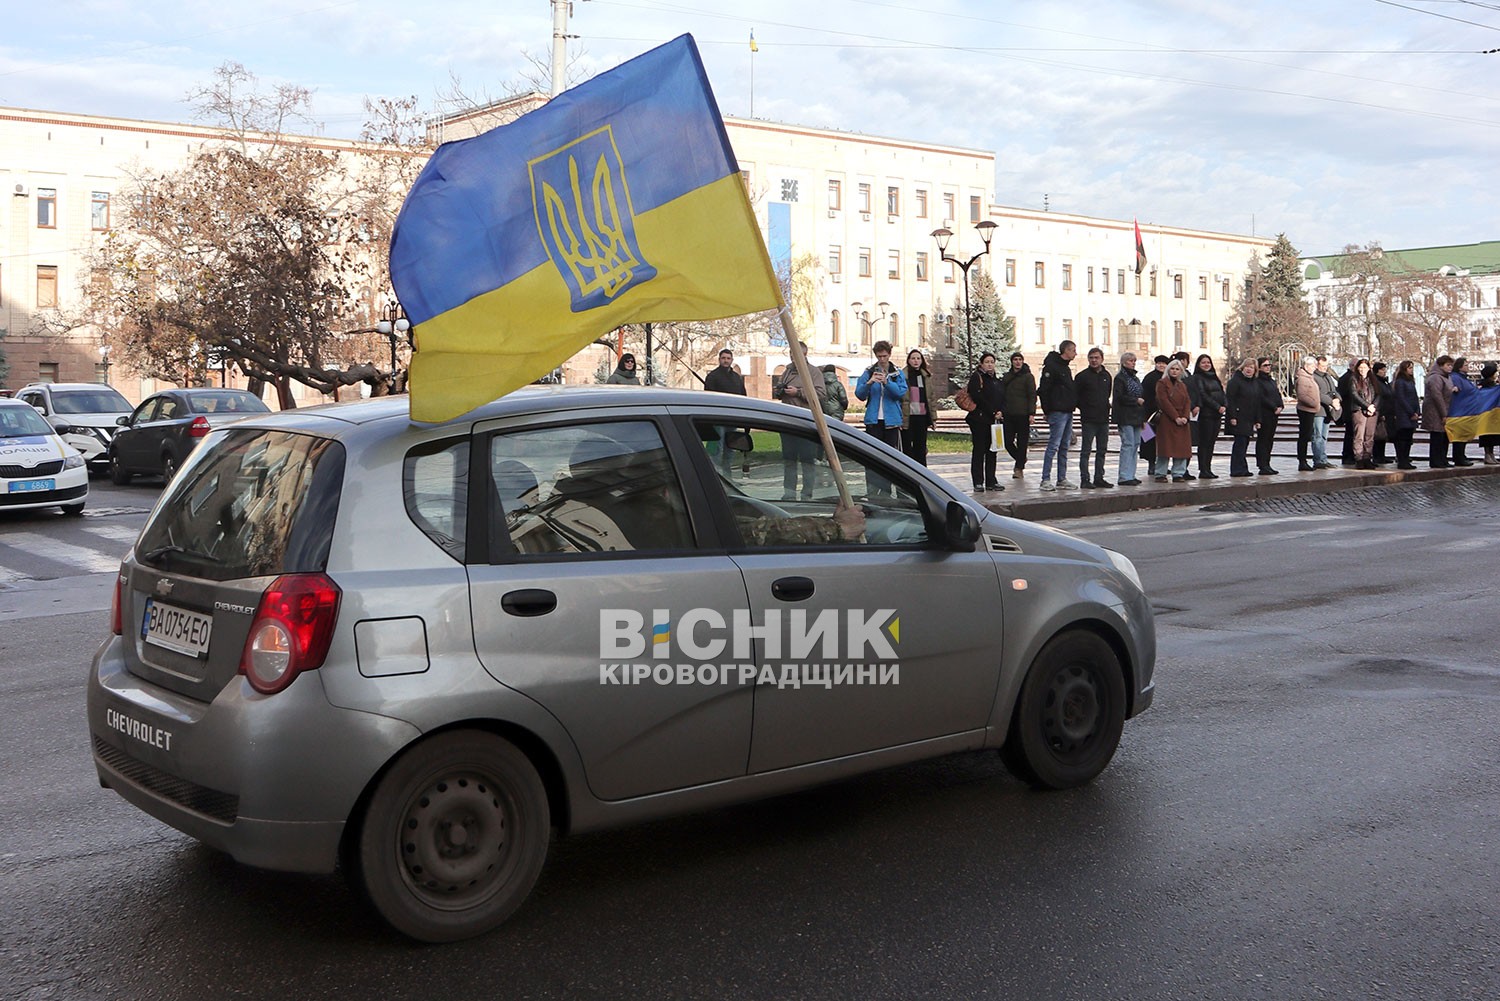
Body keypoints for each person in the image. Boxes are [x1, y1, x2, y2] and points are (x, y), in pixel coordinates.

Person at [772, 362, 828, 499]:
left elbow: (820, 393)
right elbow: (780, 390)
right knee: (789, 460)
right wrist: (779, 390)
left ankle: (807, 493)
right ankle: (789, 493)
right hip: (787, 421)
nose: (794, 358)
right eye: (791, 355)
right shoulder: (787, 371)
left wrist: (798, 392)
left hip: (806, 422)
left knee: (807, 460)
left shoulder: (813, 372)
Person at [1037, 339, 1078, 491]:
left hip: (1067, 410)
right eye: (1073, 350)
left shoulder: (1066, 368)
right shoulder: (1052, 367)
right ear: (1065, 351)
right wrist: (1047, 411)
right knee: (1053, 445)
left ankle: (1062, 478)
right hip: (1057, 411)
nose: (1075, 353)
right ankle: (1045, 479)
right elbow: (1044, 390)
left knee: (1064, 446)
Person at [855, 340, 908, 451]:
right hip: (873, 420)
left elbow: (900, 393)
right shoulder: (869, 372)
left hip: (892, 420)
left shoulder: (897, 372)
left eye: (884, 356)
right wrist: (869, 383)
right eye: (879, 356)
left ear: (889, 354)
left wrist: (887, 382)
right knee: (873, 452)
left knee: (891, 453)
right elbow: (860, 395)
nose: (882, 359)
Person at [1074, 347, 1113, 488]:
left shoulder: (1107, 375)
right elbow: (1076, 396)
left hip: (1103, 419)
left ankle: (1099, 477)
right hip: (1088, 419)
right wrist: (1085, 408)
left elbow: (1107, 394)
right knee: (1086, 450)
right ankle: (1085, 479)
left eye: (1096, 357)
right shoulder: (1082, 376)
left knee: (1102, 450)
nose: (1094, 360)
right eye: (1091, 358)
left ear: (1102, 359)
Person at [965, 353, 1005, 491]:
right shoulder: (977, 378)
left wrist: (1001, 411)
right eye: (987, 362)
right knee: (979, 450)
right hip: (980, 420)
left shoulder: (997, 380)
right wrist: (993, 411)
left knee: (992, 451)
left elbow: (1002, 397)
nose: (989, 364)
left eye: (992, 362)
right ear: (981, 364)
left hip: (994, 421)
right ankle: (978, 481)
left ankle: (991, 481)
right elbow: (977, 396)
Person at [703, 348, 747, 474]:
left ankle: (728, 477)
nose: (726, 361)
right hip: (717, 419)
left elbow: (743, 396)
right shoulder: (712, 376)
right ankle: (714, 475)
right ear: (719, 360)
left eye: (728, 358)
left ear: (732, 360)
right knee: (716, 449)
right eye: (723, 358)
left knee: (730, 449)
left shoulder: (736, 378)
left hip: (733, 419)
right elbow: (709, 398)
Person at [1152, 359, 1194, 482]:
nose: (1174, 371)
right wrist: (1175, 417)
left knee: (1182, 448)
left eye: (1177, 369)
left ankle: (1178, 473)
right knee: (1165, 448)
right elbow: (1164, 402)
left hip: (1182, 420)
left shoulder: (1182, 385)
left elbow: (1187, 401)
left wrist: (1185, 417)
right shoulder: (1162, 383)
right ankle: (1160, 473)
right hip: (1167, 419)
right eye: (1172, 368)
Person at [1000, 352, 1037, 479]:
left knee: (1022, 443)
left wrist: (1032, 413)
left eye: (1020, 359)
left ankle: (1018, 468)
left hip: (1023, 414)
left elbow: (1032, 395)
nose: (1017, 362)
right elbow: (1002, 395)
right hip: (1009, 414)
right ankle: (1021, 458)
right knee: (1007, 442)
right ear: (1012, 361)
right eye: (1015, 359)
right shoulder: (1006, 377)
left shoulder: (1028, 377)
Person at [1113, 352, 1146, 486]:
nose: (1133, 363)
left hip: (1137, 417)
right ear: (1124, 362)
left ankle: (1131, 474)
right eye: (1130, 361)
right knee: (1128, 444)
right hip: (1125, 416)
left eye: (1134, 360)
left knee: (1136, 444)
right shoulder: (1120, 378)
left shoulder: (1135, 378)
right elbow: (1119, 397)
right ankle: (1124, 476)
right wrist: (1135, 400)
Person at [1191, 353, 1225, 479]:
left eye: (1208, 362)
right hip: (1206, 414)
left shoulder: (1214, 377)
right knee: (1204, 443)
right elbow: (1203, 395)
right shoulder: (1197, 378)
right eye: (1203, 363)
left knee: (1211, 442)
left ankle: (1208, 468)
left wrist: (1224, 404)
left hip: (1217, 415)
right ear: (1199, 365)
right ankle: (1203, 469)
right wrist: (1217, 406)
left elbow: (1222, 392)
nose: (1206, 365)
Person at [1225, 358, 1261, 477]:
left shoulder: (1254, 382)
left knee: (1244, 443)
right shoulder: (1235, 381)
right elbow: (1230, 400)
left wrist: (1257, 420)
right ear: (1242, 367)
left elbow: (1256, 402)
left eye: (1252, 367)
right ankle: (1236, 469)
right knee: (1239, 443)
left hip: (1249, 417)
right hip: (1239, 417)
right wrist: (1232, 416)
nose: (1249, 369)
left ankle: (1242, 467)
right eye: (1247, 366)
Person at [901, 349, 933, 466]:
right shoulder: (903, 375)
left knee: (921, 449)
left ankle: (922, 476)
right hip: (908, 417)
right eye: (913, 358)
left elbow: (930, 398)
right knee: (907, 449)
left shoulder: (925, 376)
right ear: (908, 360)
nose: (916, 361)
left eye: (918, 358)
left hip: (922, 417)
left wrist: (933, 419)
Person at [1388, 360, 1422, 469]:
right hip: (1404, 414)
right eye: (1409, 368)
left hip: (1412, 414)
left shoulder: (1411, 381)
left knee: (1408, 439)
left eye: (1412, 368)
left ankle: (1406, 459)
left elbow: (1415, 397)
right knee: (1403, 438)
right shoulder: (1400, 382)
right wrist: (1411, 412)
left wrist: (1417, 411)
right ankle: (1402, 460)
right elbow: (1401, 399)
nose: (1412, 370)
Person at [1172, 350, 1201, 480]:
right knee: (1152, 441)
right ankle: (1163, 469)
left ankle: (1183, 469)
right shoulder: (1171, 379)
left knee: (1189, 443)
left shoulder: (1189, 376)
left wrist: (1196, 405)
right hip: (1177, 415)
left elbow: (1195, 392)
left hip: (1191, 414)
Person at [1347, 358, 1380, 469]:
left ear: (1369, 368)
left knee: (1369, 436)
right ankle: (1359, 458)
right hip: (1359, 410)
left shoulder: (1373, 379)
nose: (1362, 370)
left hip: (1372, 411)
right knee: (1359, 435)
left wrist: (1373, 406)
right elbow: (1354, 395)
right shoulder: (1353, 379)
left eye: (1365, 367)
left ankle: (1367, 457)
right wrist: (1367, 406)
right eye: (1360, 367)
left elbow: (1379, 394)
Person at [1423, 355, 1455, 469]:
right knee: (1437, 436)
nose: (1450, 367)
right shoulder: (1435, 377)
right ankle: (1436, 460)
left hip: (1445, 409)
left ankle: (1443, 459)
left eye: (1451, 365)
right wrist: (1443, 414)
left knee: (1444, 437)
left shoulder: (1447, 377)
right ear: (1441, 365)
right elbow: (1437, 396)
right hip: (1435, 411)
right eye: (1448, 365)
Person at [1139, 355, 1169, 473]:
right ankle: (1151, 465)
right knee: (1148, 440)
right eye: (1159, 363)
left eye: (1163, 363)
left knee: (1162, 441)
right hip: (1148, 414)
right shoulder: (1149, 377)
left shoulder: (1167, 378)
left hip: (1163, 414)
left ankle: (1161, 465)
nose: (1161, 365)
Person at [1311, 356, 1342, 469]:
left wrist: (1338, 399)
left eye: (1326, 366)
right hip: (1319, 411)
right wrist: (1331, 401)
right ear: (1316, 365)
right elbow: (1317, 394)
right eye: (1322, 366)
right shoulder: (1313, 377)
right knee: (1317, 436)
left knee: (1324, 436)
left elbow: (1334, 390)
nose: (1324, 368)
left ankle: (1323, 459)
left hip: (1328, 410)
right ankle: (1318, 460)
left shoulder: (1328, 376)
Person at [1254, 357, 1284, 474]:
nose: (1268, 367)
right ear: (1259, 367)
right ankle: (1262, 464)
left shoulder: (1271, 380)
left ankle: (1267, 463)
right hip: (1264, 413)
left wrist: (1281, 406)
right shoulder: (1257, 381)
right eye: (1265, 365)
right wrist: (1273, 407)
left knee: (1269, 439)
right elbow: (1261, 397)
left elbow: (1277, 394)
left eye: (1269, 365)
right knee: (1263, 439)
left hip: (1274, 414)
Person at [1449, 357, 1476, 466]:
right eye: (1466, 365)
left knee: (1464, 434)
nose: (1468, 367)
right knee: (1459, 435)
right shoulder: (1456, 377)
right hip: (1459, 410)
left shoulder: (1465, 378)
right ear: (1460, 367)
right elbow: (1457, 390)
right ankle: (1458, 457)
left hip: (1466, 410)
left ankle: (1462, 455)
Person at [1370, 361, 1393, 465]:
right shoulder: (1376, 382)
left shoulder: (1384, 382)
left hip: (1387, 411)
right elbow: (1379, 397)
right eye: (1382, 370)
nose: (1384, 372)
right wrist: (1381, 413)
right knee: (1378, 435)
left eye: (1385, 370)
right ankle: (1376, 456)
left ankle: (1381, 456)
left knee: (1383, 435)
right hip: (1380, 411)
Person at [1479, 362, 1500, 465]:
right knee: (1487, 436)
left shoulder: (1494, 386)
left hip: (1492, 415)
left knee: (1492, 436)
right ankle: (1488, 454)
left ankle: (1491, 454)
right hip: (1486, 415)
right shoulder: (1487, 388)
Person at [1337, 358, 1357, 465]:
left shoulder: (1353, 377)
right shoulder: (1346, 378)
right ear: (1352, 366)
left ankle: (1351, 455)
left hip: (1353, 410)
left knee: (1353, 434)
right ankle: (1347, 456)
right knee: (1350, 435)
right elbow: (1343, 394)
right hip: (1349, 410)